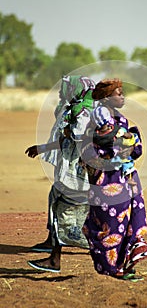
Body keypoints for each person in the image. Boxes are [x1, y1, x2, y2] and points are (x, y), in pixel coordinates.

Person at [81, 78, 147, 281]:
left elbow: (130, 146)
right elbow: (103, 145)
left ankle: (126, 264)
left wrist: (129, 142)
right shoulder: (97, 120)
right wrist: (125, 142)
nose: (122, 96)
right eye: (118, 93)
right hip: (107, 179)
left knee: (132, 220)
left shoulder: (121, 120)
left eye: (123, 92)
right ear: (106, 98)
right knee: (111, 224)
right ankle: (111, 269)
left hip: (127, 177)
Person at [25, 76, 96, 272]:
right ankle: (55, 243)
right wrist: (43, 148)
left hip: (76, 168)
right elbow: (68, 140)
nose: (61, 92)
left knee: (64, 207)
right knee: (57, 199)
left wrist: (68, 134)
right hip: (70, 164)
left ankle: (57, 258)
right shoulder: (75, 108)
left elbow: (77, 138)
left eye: (66, 89)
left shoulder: (83, 111)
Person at [90, 105, 140, 184]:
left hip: (107, 167)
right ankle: (127, 176)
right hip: (111, 165)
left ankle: (126, 174)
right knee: (126, 162)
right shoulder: (115, 128)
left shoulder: (94, 133)